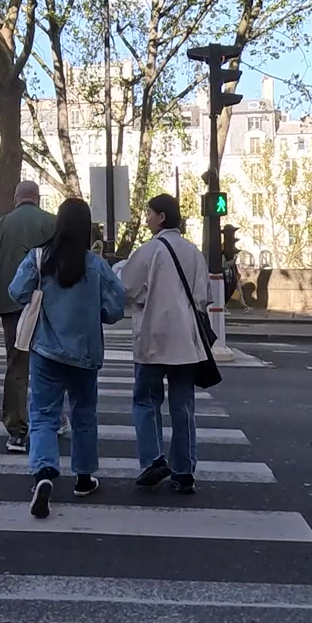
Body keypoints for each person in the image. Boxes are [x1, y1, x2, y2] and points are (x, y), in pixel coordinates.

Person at [9, 197, 126, 517]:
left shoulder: (39, 258)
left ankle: (44, 473)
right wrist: (95, 312)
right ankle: (84, 477)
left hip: (46, 351)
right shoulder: (97, 265)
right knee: (84, 414)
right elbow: (116, 307)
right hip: (85, 353)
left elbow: (16, 292)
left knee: (43, 415)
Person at [121, 194, 207, 494]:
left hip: (153, 336)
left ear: (161, 217)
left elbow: (127, 289)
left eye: (149, 213)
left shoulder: (149, 251)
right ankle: (184, 470)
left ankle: (153, 458)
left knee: (146, 401)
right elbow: (202, 297)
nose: (146, 219)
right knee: (183, 407)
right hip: (187, 341)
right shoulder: (194, 253)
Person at [0, 181, 56, 455]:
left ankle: (16, 430)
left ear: (16, 198)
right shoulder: (53, 223)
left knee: (16, 367)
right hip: (49, 305)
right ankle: (53, 419)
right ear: (38, 198)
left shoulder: (0, 227)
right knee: (50, 364)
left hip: (13, 307)